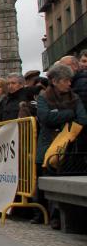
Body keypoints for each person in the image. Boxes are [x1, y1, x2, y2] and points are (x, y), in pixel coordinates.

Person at [34, 63, 87, 225]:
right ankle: (45, 213)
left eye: (70, 80)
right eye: (66, 80)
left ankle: (59, 215)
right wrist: (69, 114)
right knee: (45, 176)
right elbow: (45, 118)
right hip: (48, 143)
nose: (69, 83)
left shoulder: (74, 97)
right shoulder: (44, 97)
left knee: (61, 175)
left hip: (69, 144)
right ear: (56, 81)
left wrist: (57, 115)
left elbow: (83, 118)